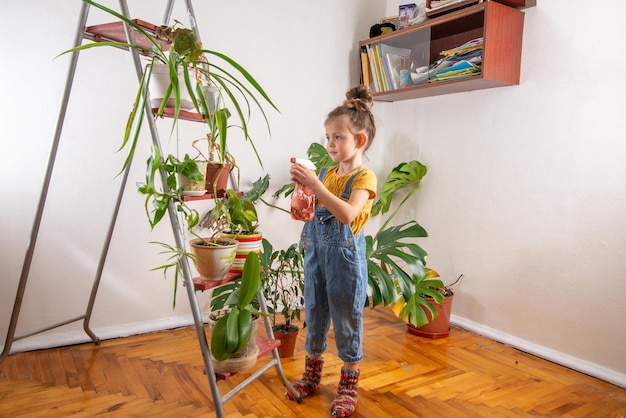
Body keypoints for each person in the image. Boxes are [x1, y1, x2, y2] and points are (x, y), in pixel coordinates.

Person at [287, 85, 377, 417]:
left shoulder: (364, 177)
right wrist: (303, 194)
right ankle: (312, 374)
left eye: (338, 137)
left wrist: (316, 186)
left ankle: (349, 384)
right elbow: (311, 214)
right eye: (328, 137)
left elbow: (348, 214)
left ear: (360, 140)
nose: (330, 144)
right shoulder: (325, 173)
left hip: (345, 262)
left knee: (345, 318)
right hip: (316, 256)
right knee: (315, 312)